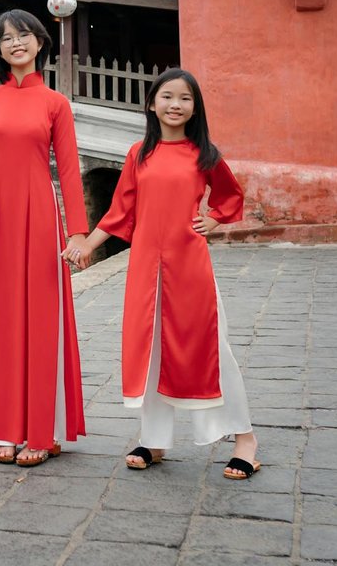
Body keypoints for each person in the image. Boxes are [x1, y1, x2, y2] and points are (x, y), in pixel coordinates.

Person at [71, 67, 259, 479]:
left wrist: (214, 218)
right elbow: (122, 211)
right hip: (145, 267)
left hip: (189, 265)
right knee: (151, 349)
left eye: (185, 99)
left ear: (195, 108)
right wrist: (87, 244)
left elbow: (230, 195)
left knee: (210, 349)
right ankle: (154, 439)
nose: (176, 105)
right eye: (168, 97)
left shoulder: (204, 153)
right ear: (152, 103)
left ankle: (245, 439)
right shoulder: (139, 153)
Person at [0, 8, 88, 467]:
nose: (16, 42)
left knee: (41, 318)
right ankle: (3, 426)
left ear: (40, 43)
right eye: (6, 38)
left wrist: (79, 234)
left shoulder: (55, 103)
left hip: (38, 213)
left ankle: (42, 429)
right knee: (0, 320)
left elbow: (69, 170)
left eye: (25, 34)